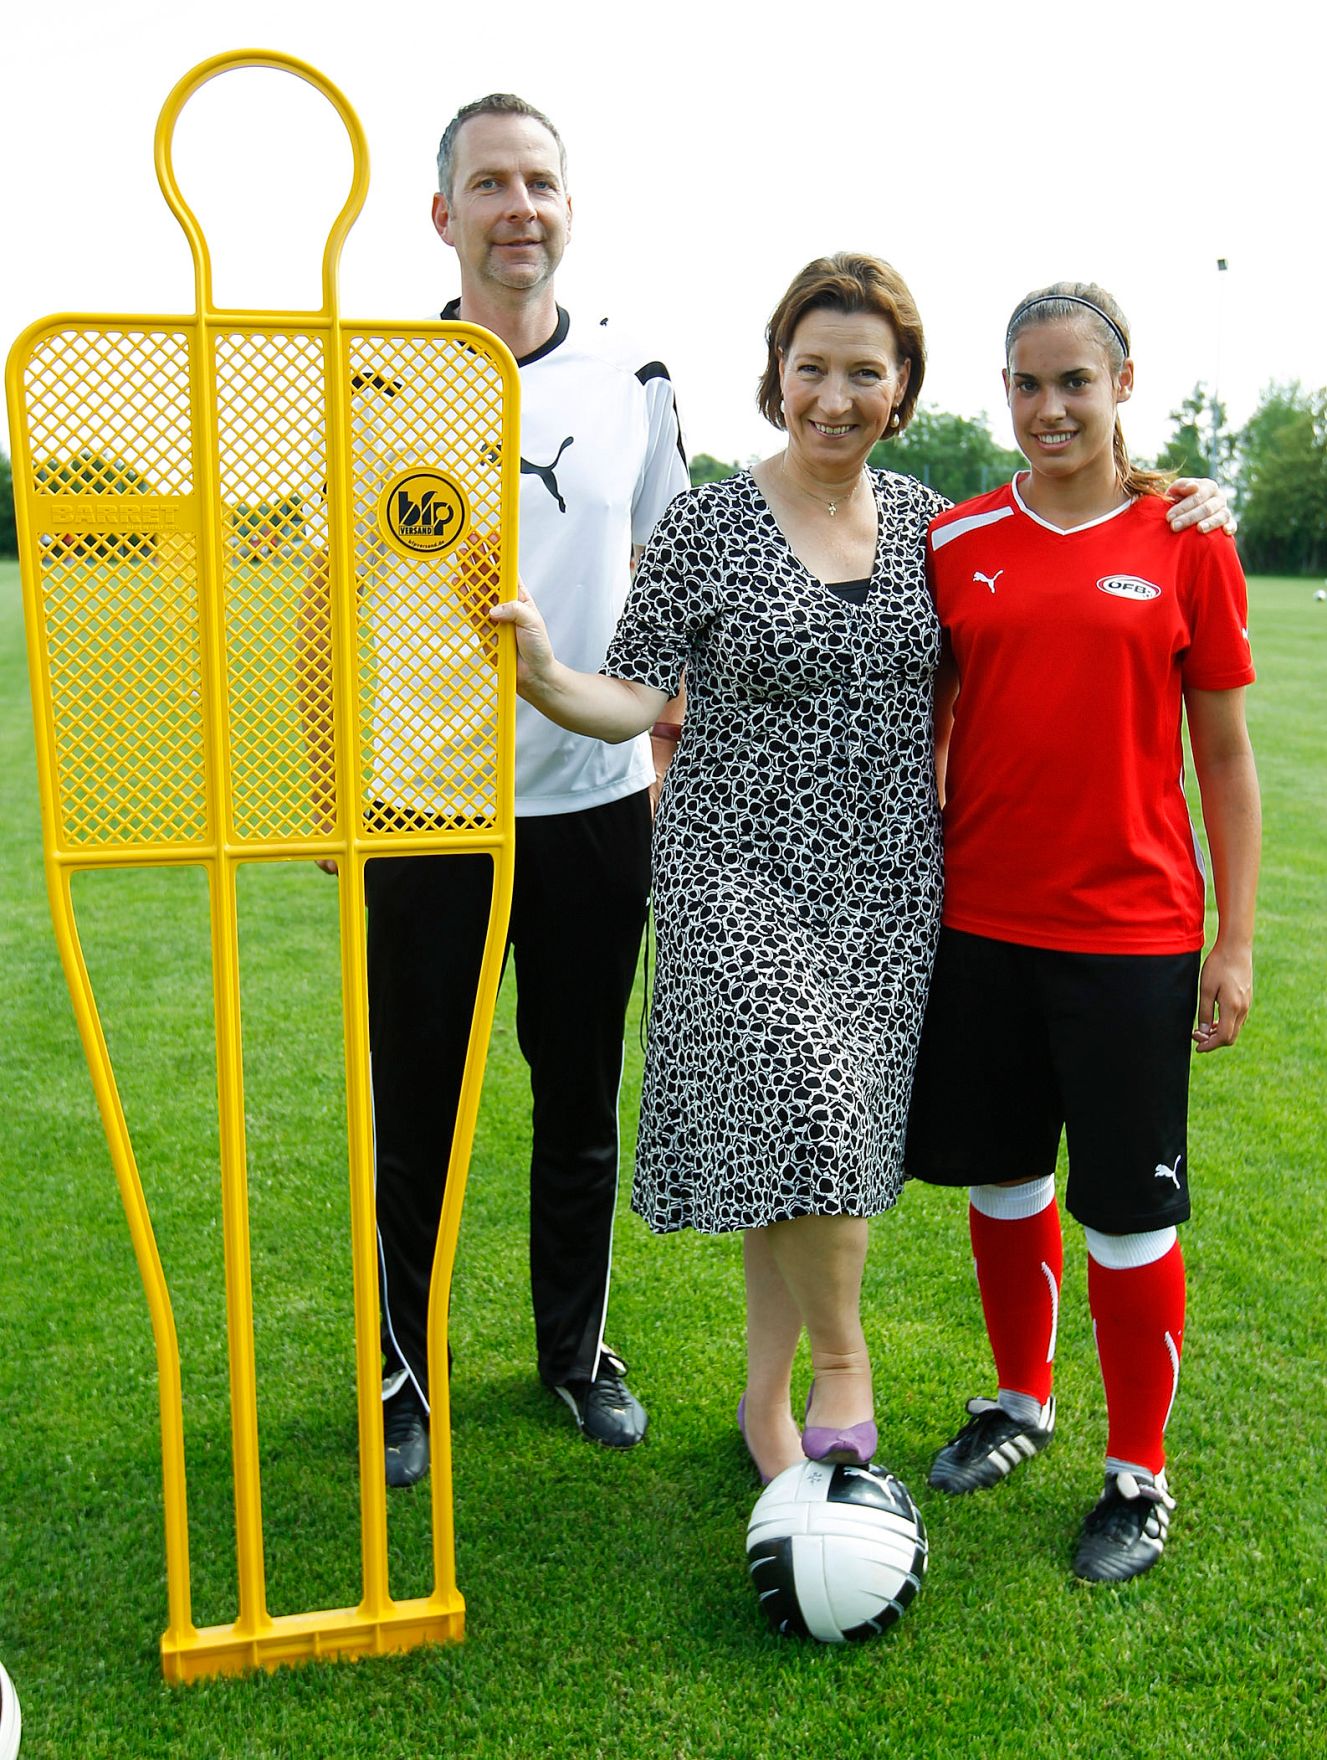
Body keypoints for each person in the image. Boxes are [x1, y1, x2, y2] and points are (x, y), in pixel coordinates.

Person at [905, 281, 1260, 1582]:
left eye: (1073, 381)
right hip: (982, 926)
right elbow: (931, 719)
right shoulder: (956, 537)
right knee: (1005, 1182)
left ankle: (1137, 1473)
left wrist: (1233, 937)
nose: (1049, 406)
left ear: (1121, 382)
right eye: (1025, 382)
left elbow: (1224, 754)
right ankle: (1020, 1401)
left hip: (1133, 938)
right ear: (1004, 392)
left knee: (1128, 1217)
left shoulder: (1186, 538)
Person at [366, 94, 689, 1486]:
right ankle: (401, 1375)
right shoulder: (375, 381)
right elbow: (331, 592)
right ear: (445, 215)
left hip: (592, 802)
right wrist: (340, 784)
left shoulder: (635, 382)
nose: (519, 207)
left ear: (568, 208)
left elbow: (680, 589)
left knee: (578, 1096)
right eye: (489, 184)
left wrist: (663, 762)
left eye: (540, 181)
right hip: (422, 806)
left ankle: (573, 1353)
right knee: (415, 1102)